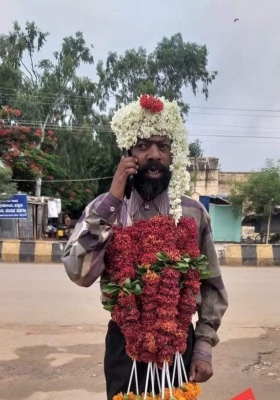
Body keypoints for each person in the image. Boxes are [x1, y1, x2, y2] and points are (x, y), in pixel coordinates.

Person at [62, 94, 228, 400]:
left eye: (163, 146)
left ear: (172, 155)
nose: (154, 155)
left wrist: (203, 345)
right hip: (125, 346)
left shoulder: (192, 213)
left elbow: (212, 285)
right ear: (128, 153)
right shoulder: (103, 209)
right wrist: (112, 201)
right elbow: (78, 273)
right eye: (143, 145)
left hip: (178, 342)